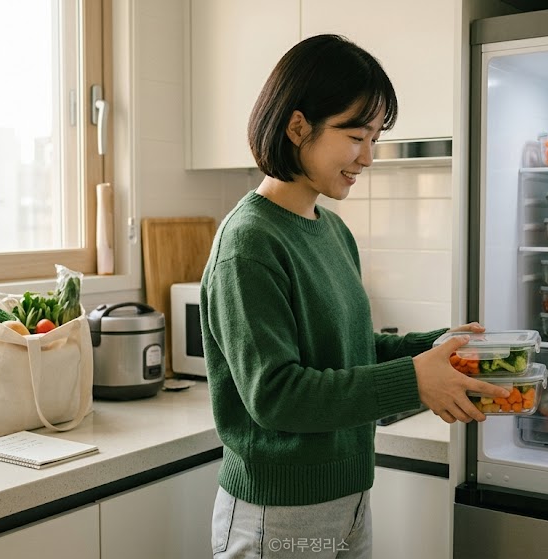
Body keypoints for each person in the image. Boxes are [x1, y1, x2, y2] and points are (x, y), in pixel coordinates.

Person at [200, 34, 509, 558]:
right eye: (355, 136)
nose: (368, 156)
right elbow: (276, 395)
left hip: (349, 498)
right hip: (278, 517)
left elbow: (347, 352)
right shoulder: (249, 242)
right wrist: (415, 379)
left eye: (375, 137)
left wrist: (442, 347)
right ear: (299, 126)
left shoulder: (331, 230)